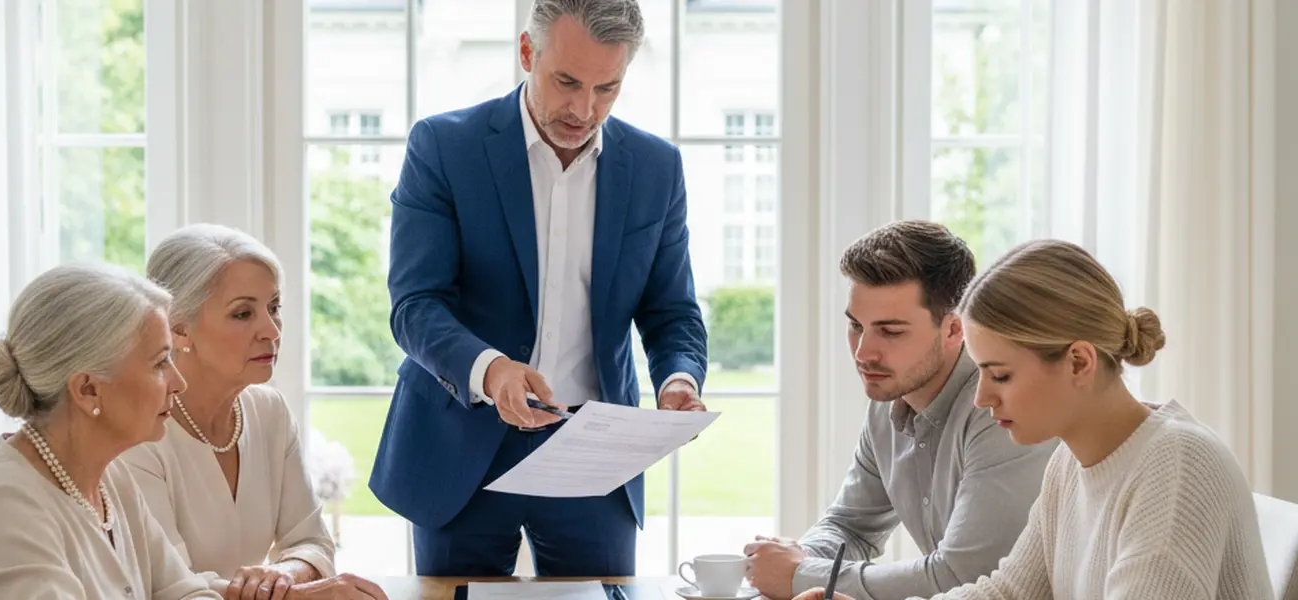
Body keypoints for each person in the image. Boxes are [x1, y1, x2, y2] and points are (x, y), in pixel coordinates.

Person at [372, 0, 709, 577]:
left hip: (595, 452)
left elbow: (671, 310)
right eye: (567, 82)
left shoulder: (656, 166)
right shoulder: (444, 147)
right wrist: (491, 368)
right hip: (460, 444)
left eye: (608, 88)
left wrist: (679, 377)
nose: (584, 109)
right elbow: (415, 304)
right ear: (528, 53)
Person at [797, 239, 1271, 600]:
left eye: (1000, 375)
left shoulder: (1176, 465)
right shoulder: (1071, 463)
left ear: (1080, 363)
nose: (981, 398)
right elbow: (1003, 593)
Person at [745, 221, 1056, 600]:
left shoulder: (1000, 408)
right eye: (856, 326)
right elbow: (852, 526)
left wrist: (801, 574)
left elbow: (965, 577)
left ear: (954, 330)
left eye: (890, 332)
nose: (863, 353)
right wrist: (800, 561)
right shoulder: (892, 396)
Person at [0, 263, 219, 599]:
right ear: (88, 390)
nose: (179, 382)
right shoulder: (4, 505)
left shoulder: (110, 479)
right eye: (160, 363)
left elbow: (185, 592)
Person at [123, 224, 387, 600]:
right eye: (243, 313)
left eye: (274, 307)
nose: (272, 330)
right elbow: (169, 587)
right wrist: (295, 594)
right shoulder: (139, 434)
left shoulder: (269, 411)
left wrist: (280, 574)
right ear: (178, 330)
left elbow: (312, 542)